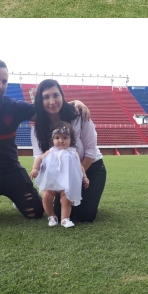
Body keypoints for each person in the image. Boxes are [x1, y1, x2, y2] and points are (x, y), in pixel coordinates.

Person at [0, 59, 90, 225]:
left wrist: (73, 103)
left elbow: (48, 107)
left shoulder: (13, 107)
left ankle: (17, 197)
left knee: (35, 212)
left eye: (4, 81)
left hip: (11, 169)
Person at [31, 79, 107, 223]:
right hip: (60, 172)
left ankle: (89, 201)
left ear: (62, 96)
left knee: (85, 216)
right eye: (46, 97)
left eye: (56, 95)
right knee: (63, 214)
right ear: (40, 101)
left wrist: (73, 178)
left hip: (89, 168)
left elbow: (90, 152)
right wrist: (56, 180)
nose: (52, 101)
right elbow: (39, 157)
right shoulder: (37, 128)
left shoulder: (79, 115)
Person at [30, 123, 89, 228]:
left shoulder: (73, 153)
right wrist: (35, 169)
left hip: (66, 183)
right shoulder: (50, 151)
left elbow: (80, 167)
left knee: (66, 199)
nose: (61, 141)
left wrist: (84, 177)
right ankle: (51, 216)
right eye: (57, 138)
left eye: (65, 138)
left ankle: (65, 219)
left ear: (71, 139)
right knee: (46, 197)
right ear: (52, 139)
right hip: (51, 181)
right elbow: (39, 159)